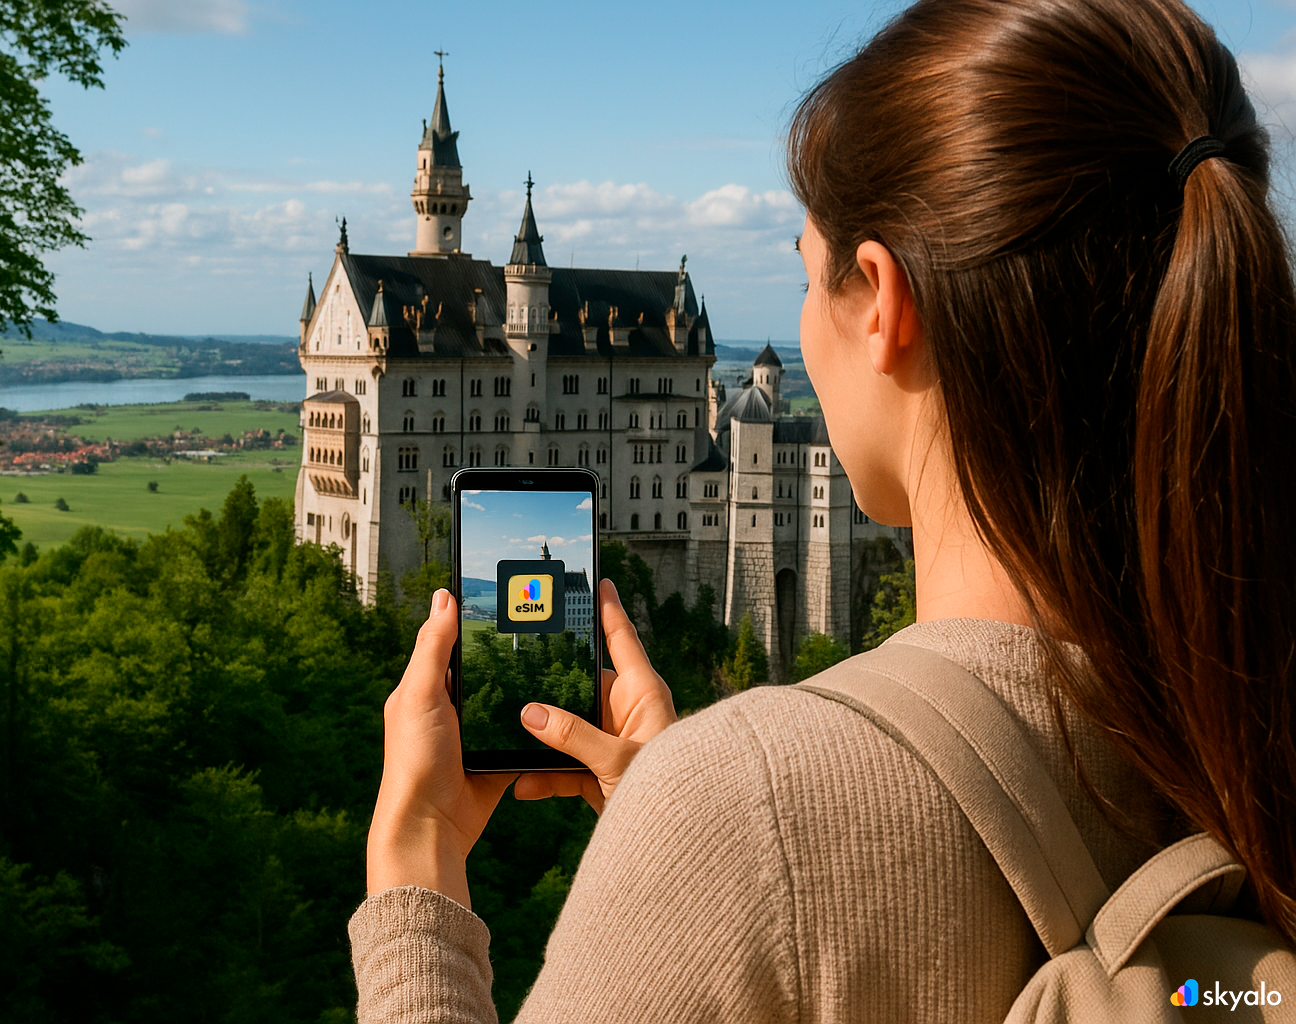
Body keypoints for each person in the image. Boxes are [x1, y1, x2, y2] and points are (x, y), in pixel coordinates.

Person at [348, 0, 1296, 1019]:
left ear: (883, 301)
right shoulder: (1253, 725)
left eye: (808, 275)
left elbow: (797, 861)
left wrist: (418, 866)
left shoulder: (745, 812)